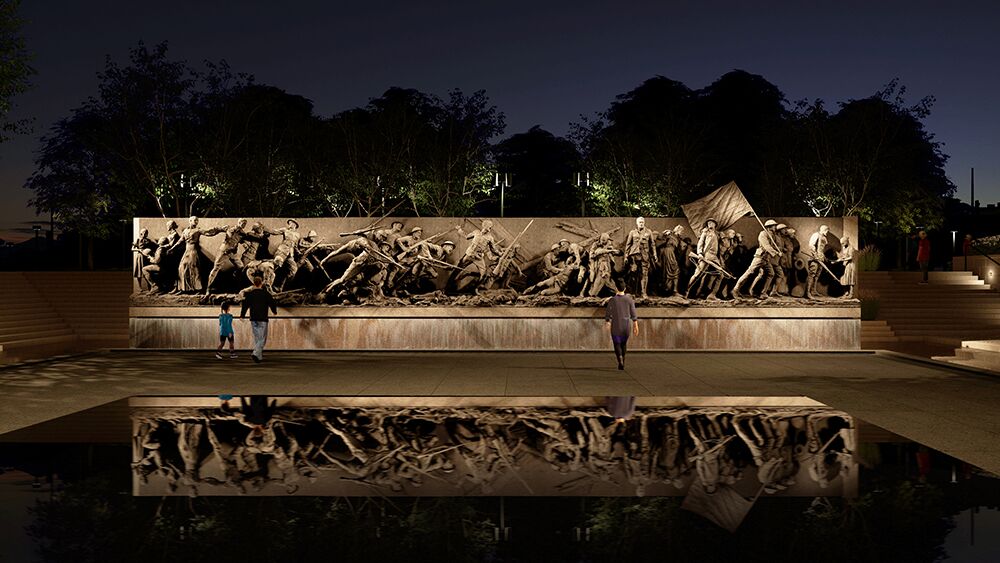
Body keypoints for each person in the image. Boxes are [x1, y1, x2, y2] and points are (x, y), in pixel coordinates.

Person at [240, 276, 277, 363]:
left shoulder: (250, 294)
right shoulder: (265, 294)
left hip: (253, 318)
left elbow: (245, 305)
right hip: (263, 318)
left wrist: (242, 315)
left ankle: (259, 357)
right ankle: (255, 353)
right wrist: (274, 311)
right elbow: (272, 303)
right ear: (261, 283)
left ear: (254, 283)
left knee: (257, 338)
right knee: (262, 339)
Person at [604, 287, 639, 370]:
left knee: (617, 343)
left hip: (616, 325)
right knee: (623, 344)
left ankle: (620, 361)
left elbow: (608, 312)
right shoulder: (629, 300)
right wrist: (635, 325)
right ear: (625, 288)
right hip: (626, 326)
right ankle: (623, 359)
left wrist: (607, 321)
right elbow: (633, 313)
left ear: (616, 289)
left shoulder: (612, 300)